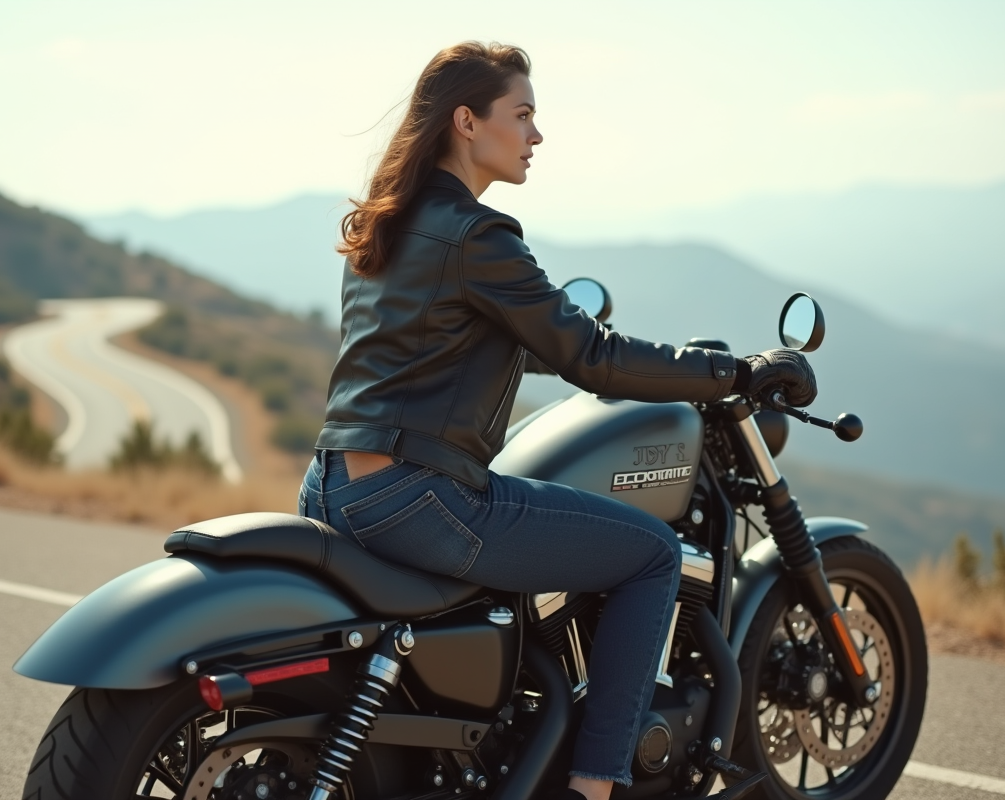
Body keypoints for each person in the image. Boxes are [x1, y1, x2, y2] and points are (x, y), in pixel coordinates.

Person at [298, 41, 816, 800]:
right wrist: (734, 372)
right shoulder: (479, 236)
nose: (537, 136)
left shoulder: (387, 225)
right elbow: (593, 357)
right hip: (421, 498)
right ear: (467, 122)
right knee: (652, 555)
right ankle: (594, 786)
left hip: (334, 485)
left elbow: (447, 347)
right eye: (524, 115)